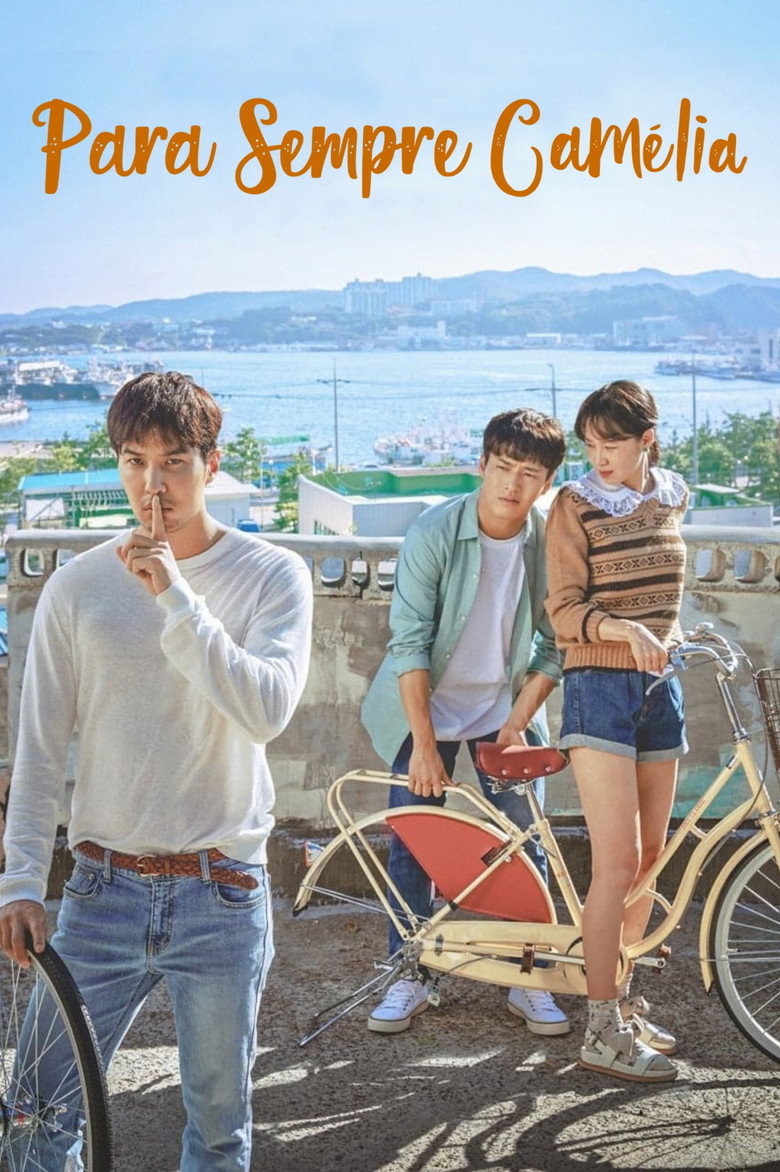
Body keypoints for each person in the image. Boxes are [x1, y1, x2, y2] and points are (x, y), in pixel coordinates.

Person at [0, 370, 313, 1169]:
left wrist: (176, 596)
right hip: (100, 892)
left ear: (211, 465)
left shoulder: (273, 574)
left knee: (218, 1131)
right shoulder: (77, 587)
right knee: (34, 1117)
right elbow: (39, 748)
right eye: (135, 461)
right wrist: (22, 882)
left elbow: (266, 710)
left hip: (222, 891)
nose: (153, 484)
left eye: (174, 461)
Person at [361, 408, 570, 1036]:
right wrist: (425, 747)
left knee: (524, 842)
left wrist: (518, 723)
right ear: (482, 465)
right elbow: (409, 643)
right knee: (413, 839)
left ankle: (527, 976)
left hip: (503, 712)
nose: (513, 484)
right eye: (503, 467)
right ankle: (410, 972)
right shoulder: (434, 532)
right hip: (423, 710)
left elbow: (557, 644)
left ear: (546, 483)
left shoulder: (549, 544)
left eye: (529, 474)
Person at [545, 379, 688, 1084]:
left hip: (661, 687)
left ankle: (625, 1004)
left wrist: (677, 636)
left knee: (652, 857)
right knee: (617, 863)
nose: (599, 458)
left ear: (646, 440)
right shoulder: (574, 505)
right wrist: (622, 631)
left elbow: (665, 597)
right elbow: (563, 611)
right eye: (591, 445)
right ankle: (601, 1028)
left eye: (613, 443)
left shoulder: (673, 497)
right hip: (598, 688)